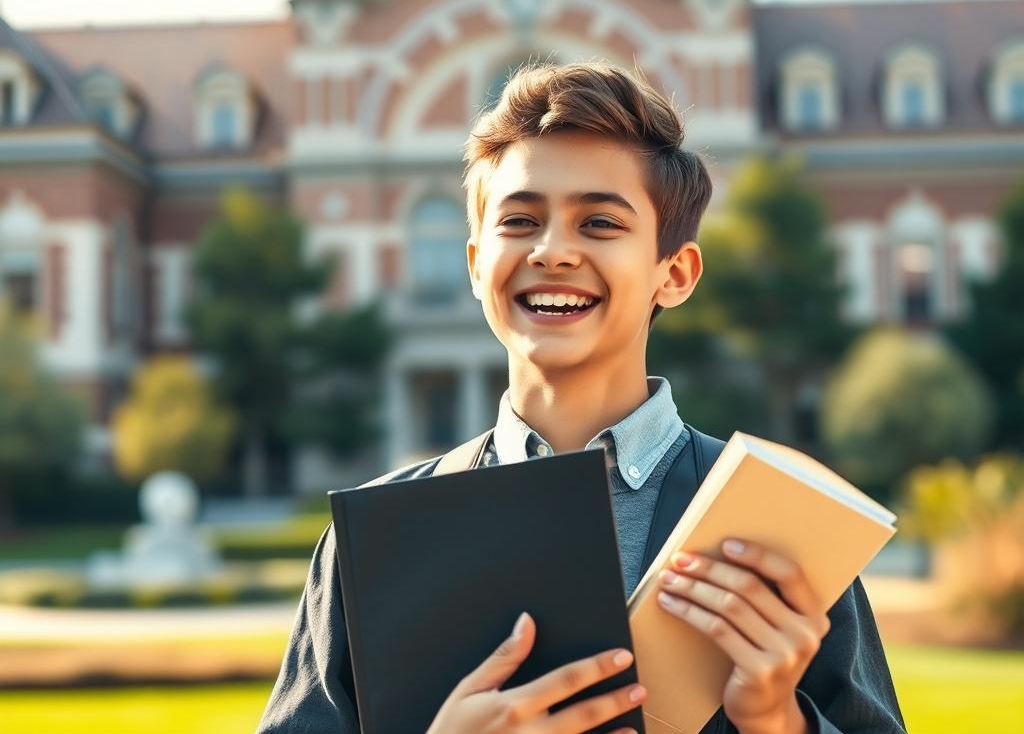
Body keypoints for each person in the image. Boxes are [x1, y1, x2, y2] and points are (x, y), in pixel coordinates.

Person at [257, 62, 907, 734]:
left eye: (599, 223)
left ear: (675, 273)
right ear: (477, 265)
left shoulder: (773, 533)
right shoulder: (371, 542)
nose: (552, 251)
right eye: (520, 220)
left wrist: (776, 719)